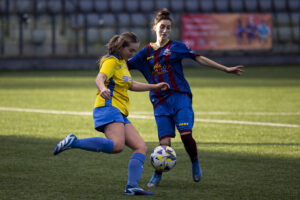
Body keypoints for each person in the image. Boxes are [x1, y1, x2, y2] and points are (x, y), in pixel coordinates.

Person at [127, 9, 244, 188]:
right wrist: (109, 61)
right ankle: (157, 174)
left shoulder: (176, 47)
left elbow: (199, 58)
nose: (165, 30)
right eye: (162, 27)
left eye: (168, 28)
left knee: (186, 135)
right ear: (154, 28)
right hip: (159, 101)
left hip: (180, 97)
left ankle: (194, 162)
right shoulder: (146, 52)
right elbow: (125, 64)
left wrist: (225, 69)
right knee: (164, 144)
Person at [53, 32, 169, 196]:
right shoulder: (111, 61)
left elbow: (130, 84)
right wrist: (103, 88)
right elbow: (99, 78)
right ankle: (74, 141)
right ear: (121, 47)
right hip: (108, 107)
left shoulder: (123, 63)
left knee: (140, 147)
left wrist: (155, 86)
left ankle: (132, 187)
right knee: (117, 146)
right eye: (131, 50)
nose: (133, 54)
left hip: (119, 111)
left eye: (136, 51)